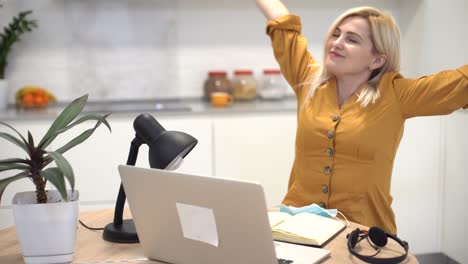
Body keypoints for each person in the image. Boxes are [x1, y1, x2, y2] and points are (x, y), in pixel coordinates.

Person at [256, 0, 468, 234]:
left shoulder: (397, 94)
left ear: (377, 59)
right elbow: (283, 24)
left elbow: (460, 84)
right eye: (336, 34)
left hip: (365, 233)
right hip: (299, 227)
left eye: (352, 39)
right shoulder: (308, 80)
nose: (336, 43)